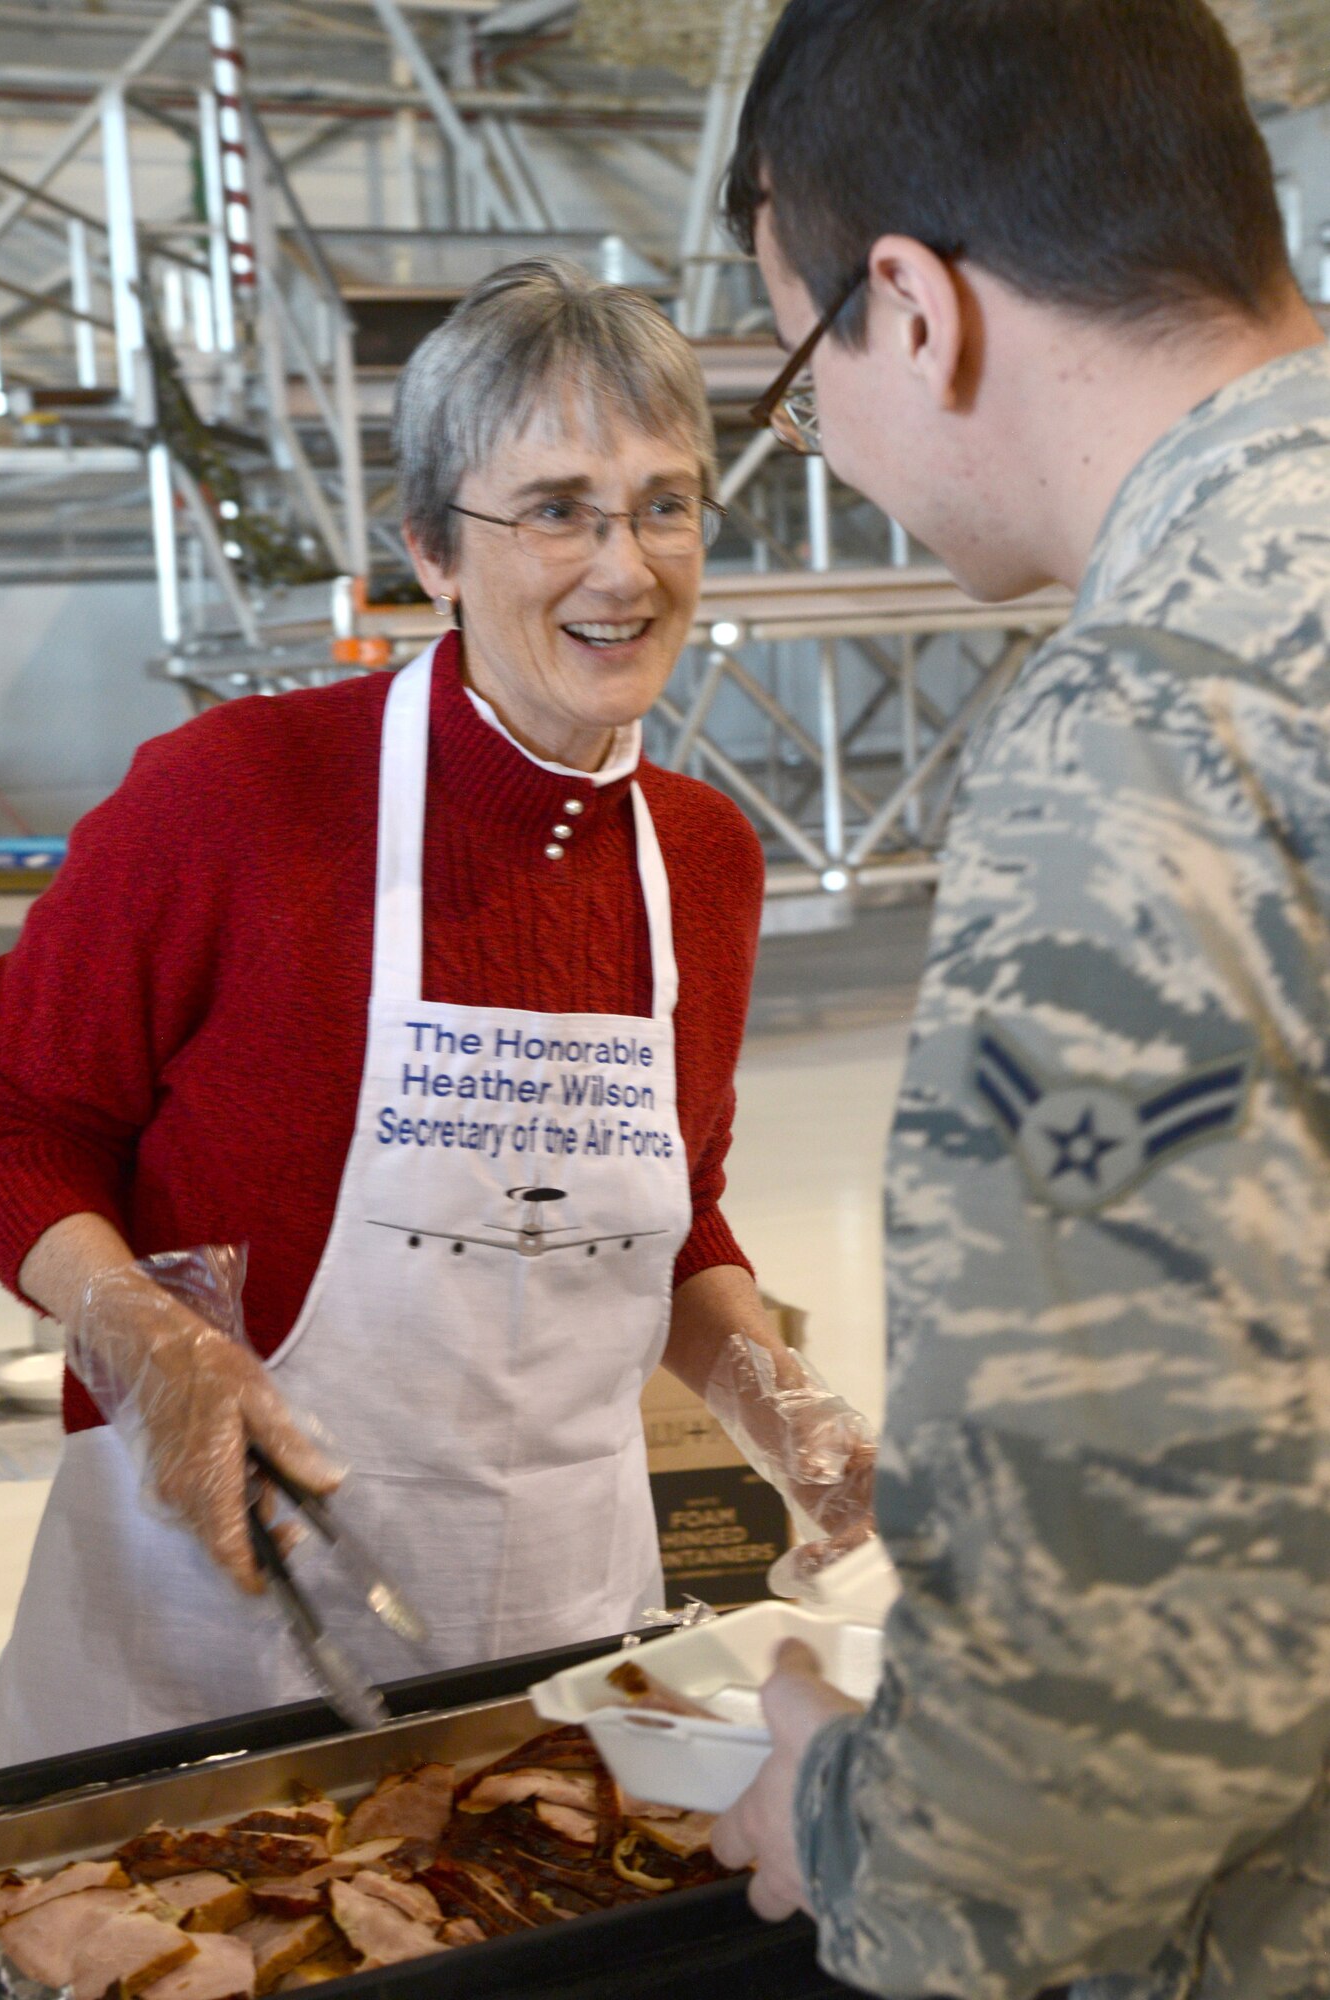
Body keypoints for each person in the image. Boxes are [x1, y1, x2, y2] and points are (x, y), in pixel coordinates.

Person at [0, 259, 876, 1770]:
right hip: (207, 1663)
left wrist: (797, 1419)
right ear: (431, 550)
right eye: (557, 508)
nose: (624, 567)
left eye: (662, 502)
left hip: (565, 1653)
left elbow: (668, 1220)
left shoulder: (702, 859)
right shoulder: (238, 796)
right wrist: (139, 1337)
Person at [708, 5, 1330, 1998]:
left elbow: (1128, 1659)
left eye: (803, 376)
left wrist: (842, 1818)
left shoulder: (1161, 715)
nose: (829, 444)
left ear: (914, 305)